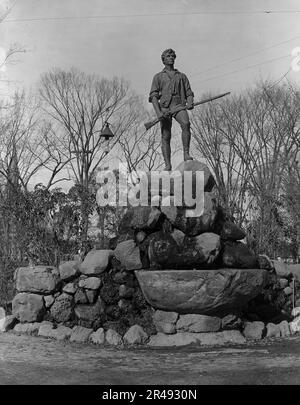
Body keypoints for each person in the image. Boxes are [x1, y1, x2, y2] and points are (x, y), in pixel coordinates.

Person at [149, 48, 194, 170]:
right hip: (164, 109)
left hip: (179, 105)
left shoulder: (182, 76)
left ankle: (186, 153)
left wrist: (190, 102)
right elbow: (153, 96)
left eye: (172, 56)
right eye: (168, 56)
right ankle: (167, 164)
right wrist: (159, 112)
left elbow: (189, 92)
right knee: (166, 135)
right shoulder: (158, 77)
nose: (171, 57)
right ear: (163, 60)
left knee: (186, 123)